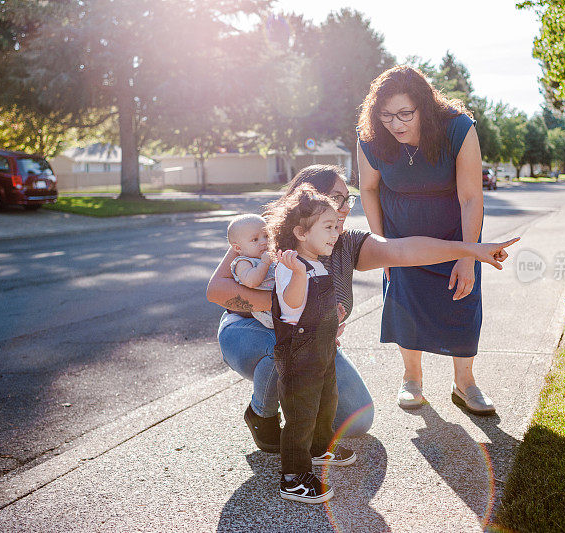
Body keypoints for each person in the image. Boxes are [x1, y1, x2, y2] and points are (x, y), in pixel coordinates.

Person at [206, 165, 516, 453]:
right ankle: (262, 414)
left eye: (346, 199)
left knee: (357, 418)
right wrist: (301, 310)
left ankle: (296, 400)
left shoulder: (348, 245)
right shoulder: (267, 237)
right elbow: (216, 290)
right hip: (247, 332)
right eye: (334, 198)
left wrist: (470, 249)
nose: (342, 208)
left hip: (314, 342)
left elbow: (404, 248)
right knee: (284, 348)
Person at [357, 65, 492, 414]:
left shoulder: (457, 128)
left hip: (456, 234)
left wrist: (468, 256)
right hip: (400, 237)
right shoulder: (372, 137)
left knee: (462, 300)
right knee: (405, 304)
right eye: (387, 115)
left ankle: (465, 383)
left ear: (424, 106)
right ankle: (412, 379)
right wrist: (382, 246)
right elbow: (369, 189)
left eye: (405, 113)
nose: (396, 124)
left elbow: (471, 198)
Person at [265, 185, 357, 503]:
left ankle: (319, 448)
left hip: (322, 350)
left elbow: (314, 306)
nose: (336, 232)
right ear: (301, 233)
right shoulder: (288, 267)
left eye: (336, 226)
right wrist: (299, 275)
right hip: (299, 356)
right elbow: (291, 307)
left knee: (325, 402)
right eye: (328, 227)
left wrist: (334, 313)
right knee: (301, 414)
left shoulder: (317, 262)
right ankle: (293, 476)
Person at [226, 214, 275, 329]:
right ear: (238, 248)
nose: (264, 242)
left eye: (266, 236)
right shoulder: (243, 262)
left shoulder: (267, 257)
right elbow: (251, 282)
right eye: (255, 239)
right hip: (265, 312)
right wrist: (265, 264)